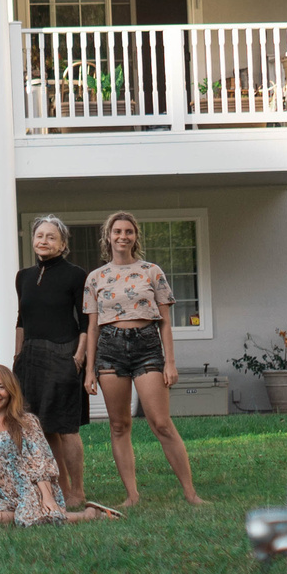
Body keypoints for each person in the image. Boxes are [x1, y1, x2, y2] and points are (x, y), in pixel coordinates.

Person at [82, 211, 205, 509]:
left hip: (147, 346)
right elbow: (92, 327)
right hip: (110, 349)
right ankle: (132, 496)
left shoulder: (152, 271)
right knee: (119, 425)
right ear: (108, 236)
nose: (122, 236)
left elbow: (165, 321)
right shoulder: (95, 278)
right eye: (117, 231)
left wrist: (170, 362)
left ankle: (191, 493)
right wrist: (89, 370)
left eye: (129, 232)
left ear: (136, 236)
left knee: (161, 423)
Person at [15, 214, 97, 511]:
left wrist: (79, 357)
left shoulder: (76, 275)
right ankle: (58, 487)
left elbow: (87, 320)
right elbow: (21, 320)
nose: (44, 241)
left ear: (63, 243)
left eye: (51, 237)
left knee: (67, 427)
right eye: (39, 236)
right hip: (31, 357)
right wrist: (17, 356)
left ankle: (77, 490)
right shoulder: (23, 276)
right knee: (43, 426)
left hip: (65, 352)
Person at [0, 364, 118, 526]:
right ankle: (39, 516)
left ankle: (89, 514)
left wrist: (47, 497)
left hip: (28, 489)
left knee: (28, 519)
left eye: (1, 387)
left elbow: (40, 461)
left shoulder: (26, 422)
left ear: (10, 390)